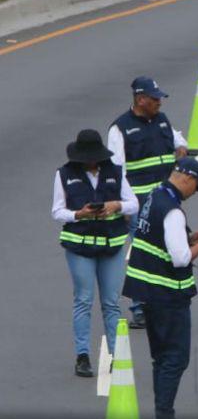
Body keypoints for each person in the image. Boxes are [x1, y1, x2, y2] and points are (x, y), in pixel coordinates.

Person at [123, 157, 198, 419]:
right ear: (187, 179)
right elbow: (180, 259)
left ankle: (162, 418)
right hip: (168, 293)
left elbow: (158, 238)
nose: (193, 193)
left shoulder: (155, 196)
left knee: (161, 357)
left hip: (148, 291)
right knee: (175, 358)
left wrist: (188, 237)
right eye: (195, 187)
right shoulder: (173, 211)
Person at [51, 129, 138, 377]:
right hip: (79, 246)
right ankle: (82, 356)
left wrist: (115, 205)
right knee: (84, 300)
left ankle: (116, 356)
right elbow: (57, 211)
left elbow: (133, 204)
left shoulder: (115, 172)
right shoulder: (64, 174)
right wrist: (78, 214)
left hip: (112, 246)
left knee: (111, 303)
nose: (90, 161)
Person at [109, 76, 188, 328]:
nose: (159, 102)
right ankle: (140, 307)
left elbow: (178, 139)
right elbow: (116, 170)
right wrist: (124, 205)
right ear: (140, 99)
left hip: (166, 201)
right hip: (139, 203)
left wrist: (181, 147)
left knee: (166, 249)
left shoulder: (161, 120)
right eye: (154, 98)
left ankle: (159, 301)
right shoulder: (120, 129)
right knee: (143, 253)